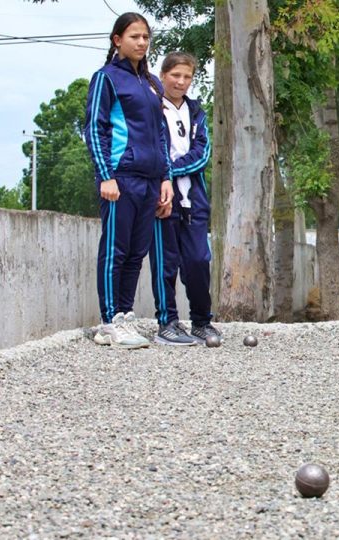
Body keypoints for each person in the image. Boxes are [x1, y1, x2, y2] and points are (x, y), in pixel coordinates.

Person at [85, 12, 173, 348]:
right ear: (117, 40)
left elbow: (161, 134)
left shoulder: (152, 84)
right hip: (120, 178)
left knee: (137, 253)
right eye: (134, 36)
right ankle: (109, 321)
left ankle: (124, 315)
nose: (141, 42)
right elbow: (95, 128)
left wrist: (166, 177)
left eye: (146, 37)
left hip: (150, 180)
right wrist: (105, 176)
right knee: (115, 250)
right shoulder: (106, 78)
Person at [148, 52, 222, 346]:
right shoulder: (152, 108)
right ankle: (167, 322)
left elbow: (201, 155)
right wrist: (162, 175)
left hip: (194, 201)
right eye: (175, 75)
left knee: (198, 261)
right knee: (165, 263)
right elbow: (152, 150)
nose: (180, 81)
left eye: (187, 76)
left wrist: (170, 169)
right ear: (163, 75)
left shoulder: (197, 113)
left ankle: (202, 321)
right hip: (162, 200)